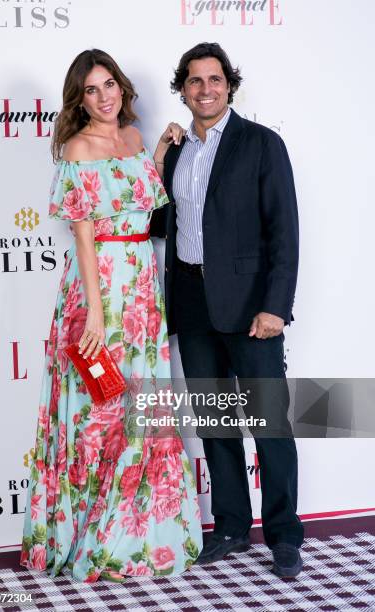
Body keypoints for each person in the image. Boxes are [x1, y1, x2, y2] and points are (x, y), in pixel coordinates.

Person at [20, 48, 202, 583]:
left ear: (122, 87)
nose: (104, 97)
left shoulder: (136, 137)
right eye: (91, 90)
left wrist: (164, 150)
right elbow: (82, 233)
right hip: (99, 287)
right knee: (98, 410)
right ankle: (93, 536)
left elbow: (144, 200)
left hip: (143, 287)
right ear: (79, 99)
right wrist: (95, 316)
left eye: (110, 86)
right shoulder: (77, 147)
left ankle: (144, 534)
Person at [150, 42, 304, 577]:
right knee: (216, 425)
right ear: (183, 89)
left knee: (270, 426)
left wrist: (275, 307)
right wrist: (154, 160)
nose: (205, 89)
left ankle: (285, 535)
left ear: (229, 85)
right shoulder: (174, 152)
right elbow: (156, 222)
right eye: (194, 81)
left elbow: (284, 230)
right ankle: (233, 527)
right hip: (192, 304)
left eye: (214, 79)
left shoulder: (262, 144)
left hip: (252, 311)